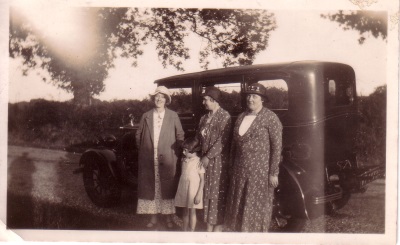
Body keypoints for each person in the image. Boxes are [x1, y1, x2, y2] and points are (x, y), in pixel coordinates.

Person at [224, 83, 283, 232]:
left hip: (259, 174)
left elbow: (277, 148)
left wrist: (273, 173)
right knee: (238, 207)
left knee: (255, 209)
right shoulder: (241, 117)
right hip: (239, 172)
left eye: (254, 96)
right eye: (248, 96)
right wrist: (231, 167)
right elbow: (233, 145)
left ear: (262, 99)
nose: (250, 99)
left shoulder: (271, 118)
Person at [135, 86, 185, 229]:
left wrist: (176, 153)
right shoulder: (146, 115)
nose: (159, 99)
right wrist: (144, 150)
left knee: (167, 187)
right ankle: (153, 217)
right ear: (153, 98)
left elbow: (180, 135)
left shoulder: (173, 115)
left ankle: (169, 217)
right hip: (149, 157)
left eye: (162, 97)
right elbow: (138, 135)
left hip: (167, 157)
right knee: (152, 187)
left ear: (166, 100)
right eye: (157, 96)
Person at [197, 86, 232, 232]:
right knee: (205, 190)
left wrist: (208, 156)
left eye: (206, 100)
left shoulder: (225, 116)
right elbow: (199, 138)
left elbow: (222, 141)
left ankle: (216, 226)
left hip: (217, 161)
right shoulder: (204, 118)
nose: (204, 102)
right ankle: (207, 225)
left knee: (216, 192)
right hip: (204, 159)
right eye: (204, 100)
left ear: (214, 100)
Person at [174, 137, 205, 231]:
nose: (183, 152)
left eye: (185, 150)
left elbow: (202, 180)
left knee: (192, 211)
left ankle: (191, 231)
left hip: (193, 191)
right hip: (184, 189)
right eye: (183, 150)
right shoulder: (183, 160)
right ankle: (184, 231)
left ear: (193, 151)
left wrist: (198, 194)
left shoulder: (199, 162)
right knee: (185, 211)